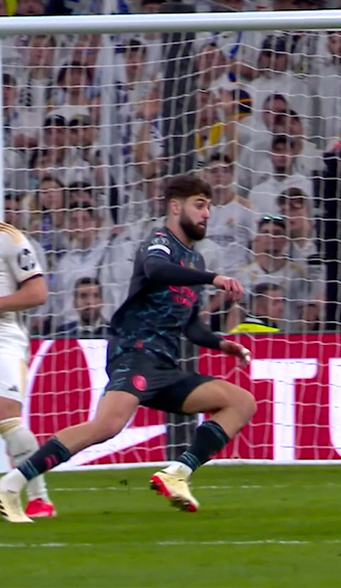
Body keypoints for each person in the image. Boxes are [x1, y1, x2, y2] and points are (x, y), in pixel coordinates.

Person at [0, 176, 255, 524]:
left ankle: (177, 473)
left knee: (241, 402)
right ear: (175, 206)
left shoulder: (192, 262)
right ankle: (12, 485)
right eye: (199, 204)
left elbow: (190, 324)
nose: (206, 213)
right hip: (135, 352)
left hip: (164, 366)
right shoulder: (159, 243)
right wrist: (213, 279)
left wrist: (222, 344)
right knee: (106, 426)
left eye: (209, 206)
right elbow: (154, 269)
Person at [0, 221, 53, 518]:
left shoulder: (8, 238)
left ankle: (39, 499)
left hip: (4, 337)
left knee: (5, 413)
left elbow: (37, 293)